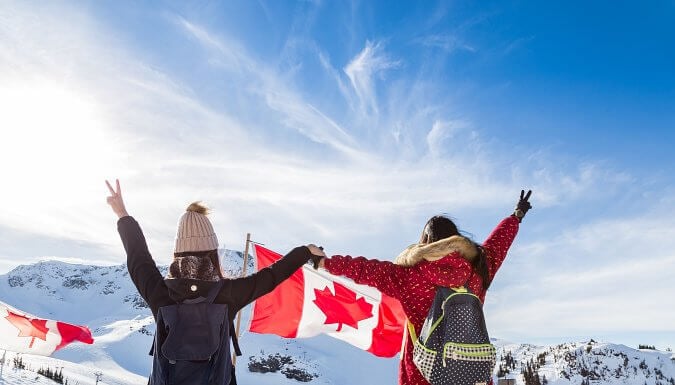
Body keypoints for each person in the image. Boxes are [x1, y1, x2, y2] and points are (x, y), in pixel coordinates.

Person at [104, 179, 325, 385]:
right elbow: (272, 276)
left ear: (178, 251)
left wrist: (122, 214)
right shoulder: (227, 293)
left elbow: (138, 257)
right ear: (212, 250)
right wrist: (305, 251)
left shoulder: (160, 293)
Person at [315, 190, 532, 385]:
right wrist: (516, 216)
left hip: (425, 375)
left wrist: (324, 262)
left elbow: (363, 269)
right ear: (457, 238)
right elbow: (499, 243)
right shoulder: (479, 269)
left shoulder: (409, 276)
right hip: (471, 372)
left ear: (425, 241)